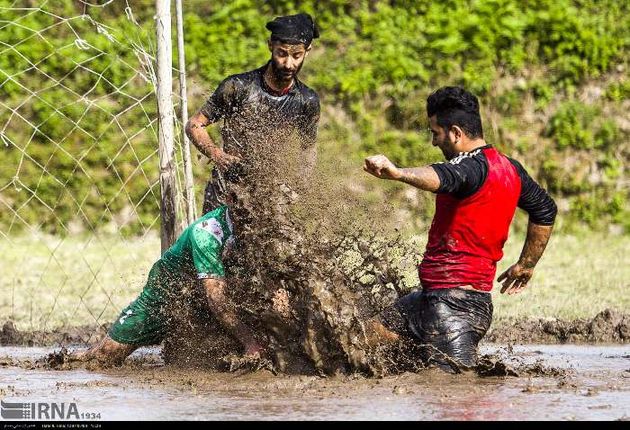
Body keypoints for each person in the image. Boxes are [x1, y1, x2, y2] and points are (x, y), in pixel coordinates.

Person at [363, 86, 557, 371]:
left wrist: (399, 173)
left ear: (455, 133)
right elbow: (546, 209)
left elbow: (443, 175)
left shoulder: (468, 167)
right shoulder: (510, 168)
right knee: (355, 342)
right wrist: (526, 264)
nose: (433, 142)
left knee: (455, 391)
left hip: (456, 311)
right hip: (428, 301)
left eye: (435, 133)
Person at [71, 199, 264, 366]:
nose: (251, 206)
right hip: (168, 289)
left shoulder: (267, 222)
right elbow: (216, 299)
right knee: (106, 357)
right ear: (230, 199)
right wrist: (250, 343)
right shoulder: (208, 234)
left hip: (204, 290)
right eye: (244, 201)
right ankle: (77, 358)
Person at [185, 12, 321, 214]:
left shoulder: (306, 100)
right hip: (225, 191)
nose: (288, 63)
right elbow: (195, 124)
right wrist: (218, 156)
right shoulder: (239, 87)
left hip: (270, 196)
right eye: (282, 53)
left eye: (296, 56)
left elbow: (308, 149)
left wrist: (298, 188)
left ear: (307, 52)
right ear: (270, 46)